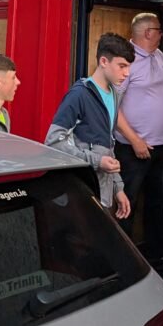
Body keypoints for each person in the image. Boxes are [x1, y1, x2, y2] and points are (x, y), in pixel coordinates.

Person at [115, 12, 163, 268]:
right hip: (131, 148)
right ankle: (124, 261)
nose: (161, 34)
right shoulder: (125, 61)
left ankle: (157, 255)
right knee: (127, 203)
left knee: (158, 201)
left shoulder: (160, 55)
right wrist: (134, 140)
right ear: (147, 32)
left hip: (160, 145)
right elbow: (113, 106)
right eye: (158, 30)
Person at [45, 33, 133, 218]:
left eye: (129, 67)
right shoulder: (78, 95)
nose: (127, 73)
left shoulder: (114, 95)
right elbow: (53, 142)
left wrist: (118, 188)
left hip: (102, 196)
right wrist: (97, 161)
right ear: (103, 61)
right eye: (122, 66)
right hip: (79, 195)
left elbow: (108, 147)